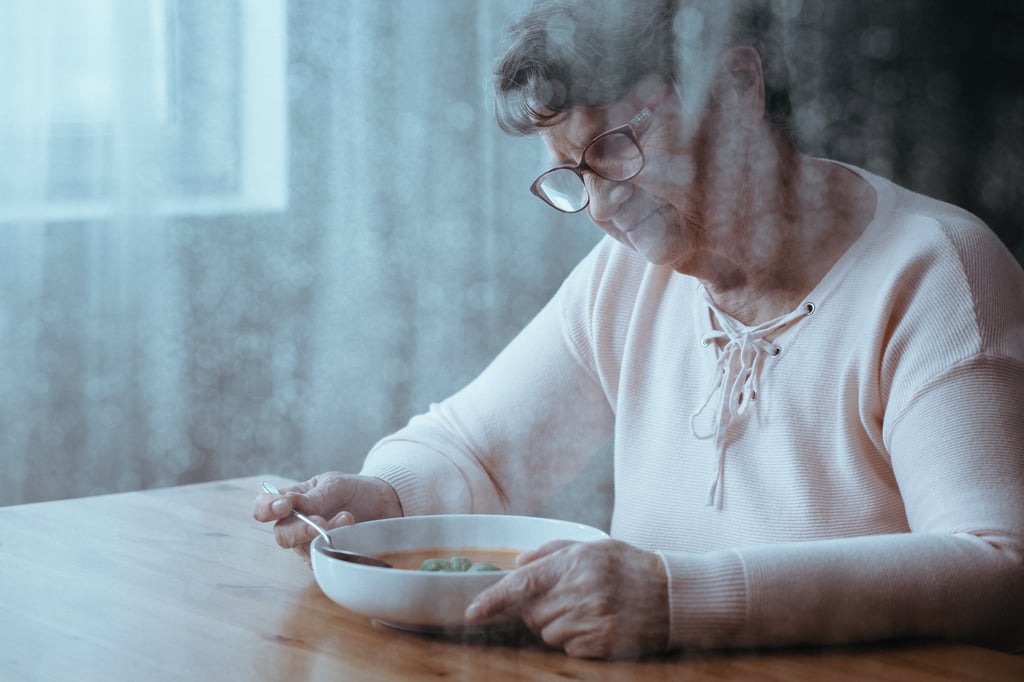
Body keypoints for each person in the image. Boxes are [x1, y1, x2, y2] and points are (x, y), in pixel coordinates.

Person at [254, 0, 1024, 659]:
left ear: (737, 86)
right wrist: (384, 500)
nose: (599, 207)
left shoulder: (935, 273)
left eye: (615, 147)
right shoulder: (631, 278)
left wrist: (678, 598)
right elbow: (474, 453)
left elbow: (998, 568)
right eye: (574, 175)